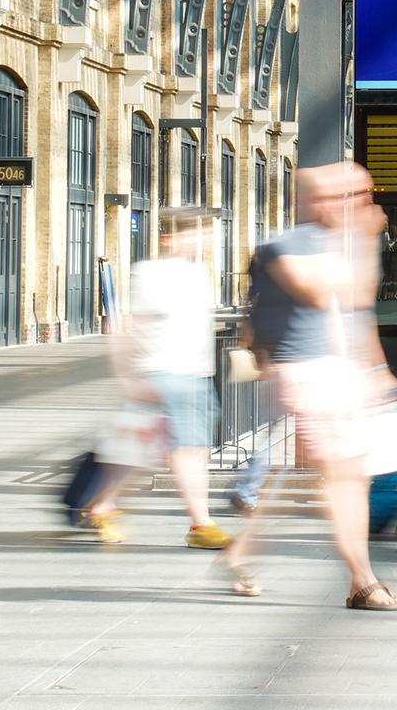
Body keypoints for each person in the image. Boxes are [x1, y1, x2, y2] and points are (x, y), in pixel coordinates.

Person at [221, 163, 397, 608]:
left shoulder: (338, 243)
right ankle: (362, 583)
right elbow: (324, 291)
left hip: (339, 374)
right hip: (306, 373)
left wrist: (376, 369)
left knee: (320, 479)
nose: (360, 204)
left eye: (362, 195)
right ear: (314, 200)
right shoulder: (284, 245)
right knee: (344, 476)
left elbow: (358, 314)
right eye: (350, 195)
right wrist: (364, 241)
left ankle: (241, 553)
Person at [83, 208, 232, 550]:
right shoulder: (149, 274)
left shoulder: (197, 275)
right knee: (182, 451)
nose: (202, 242)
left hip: (195, 376)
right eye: (194, 234)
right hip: (162, 374)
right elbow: (131, 328)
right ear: (169, 238)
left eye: (205, 235)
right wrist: (128, 375)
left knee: (157, 450)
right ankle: (201, 523)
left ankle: (104, 504)